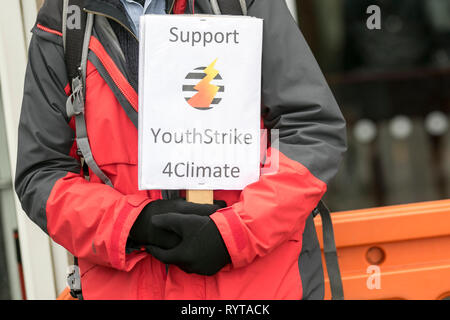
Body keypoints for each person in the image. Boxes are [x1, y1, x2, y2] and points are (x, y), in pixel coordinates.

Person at [15, 0, 347, 300]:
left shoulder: (240, 2)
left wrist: (237, 232)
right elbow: (42, 174)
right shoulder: (63, 18)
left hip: (261, 287)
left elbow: (312, 130)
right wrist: (132, 225)